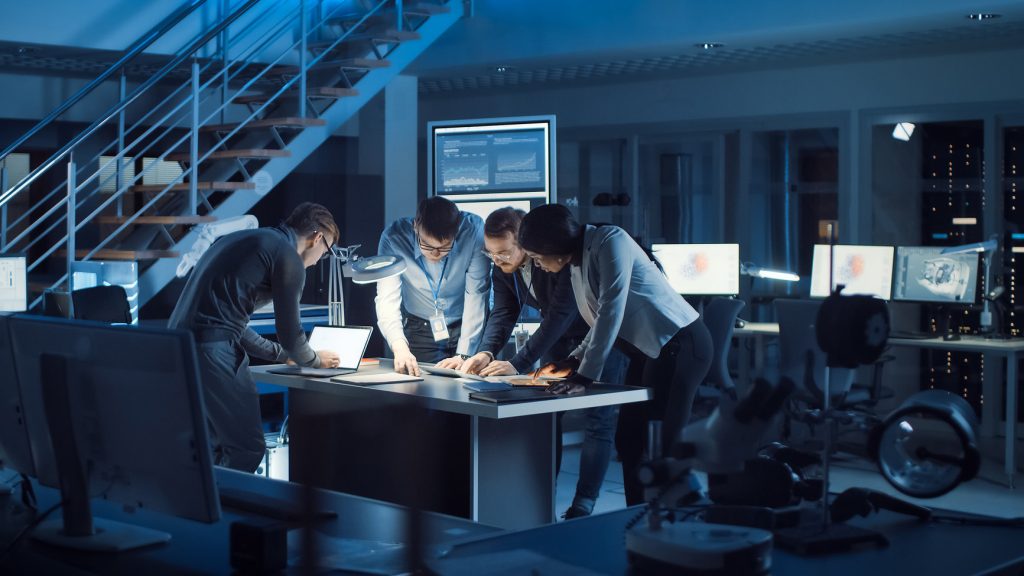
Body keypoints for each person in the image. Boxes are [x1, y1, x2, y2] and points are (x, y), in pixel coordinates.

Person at [518, 203, 713, 506]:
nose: (536, 264)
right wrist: (573, 360)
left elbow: (612, 309)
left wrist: (585, 376)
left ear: (551, 247)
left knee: (659, 445)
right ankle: (637, 520)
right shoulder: (577, 262)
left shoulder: (611, 240)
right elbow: (597, 321)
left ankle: (677, 522)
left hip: (681, 345)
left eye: (535, 256)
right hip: (649, 352)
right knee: (630, 442)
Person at [459, 207, 629, 519]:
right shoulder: (502, 266)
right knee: (548, 416)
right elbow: (503, 313)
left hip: (597, 336)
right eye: (491, 254)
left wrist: (518, 362)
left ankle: (583, 503)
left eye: (504, 252)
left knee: (599, 420)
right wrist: (486, 352)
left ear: (524, 241)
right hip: (558, 343)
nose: (497, 260)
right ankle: (541, 496)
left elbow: (560, 315)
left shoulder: (555, 255)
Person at [169, 202, 343, 472]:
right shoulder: (288, 257)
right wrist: (313, 360)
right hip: (212, 353)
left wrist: (284, 356)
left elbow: (230, 324)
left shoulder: (245, 239)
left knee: (213, 446)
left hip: (178, 346)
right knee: (247, 448)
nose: (321, 259)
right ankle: (229, 512)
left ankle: (210, 511)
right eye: (326, 251)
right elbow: (291, 335)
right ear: (317, 238)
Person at [375, 196, 490, 375]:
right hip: (420, 327)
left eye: (445, 247)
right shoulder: (394, 238)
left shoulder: (473, 231)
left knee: (470, 388)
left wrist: (465, 354)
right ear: (416, 226)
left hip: (468, 324)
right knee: (421, 391)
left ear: (457, 230)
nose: (436, 253)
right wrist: (399, 348)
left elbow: (477, 293)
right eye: (427, 245)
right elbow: (387, 298)